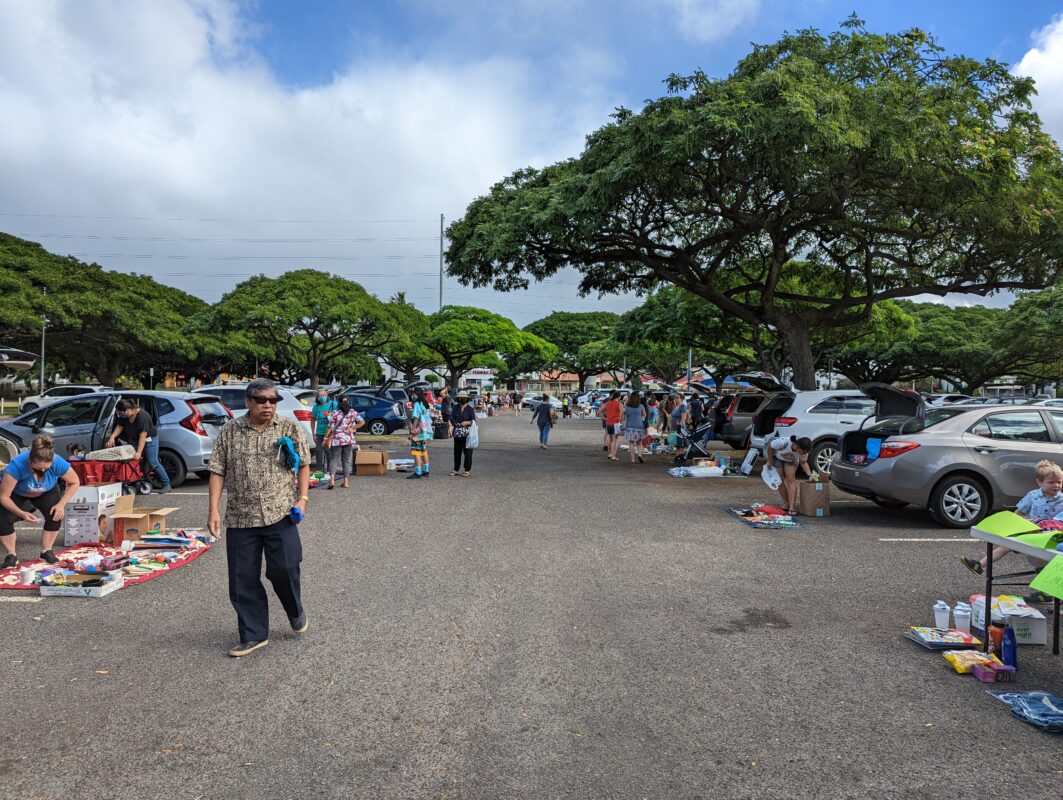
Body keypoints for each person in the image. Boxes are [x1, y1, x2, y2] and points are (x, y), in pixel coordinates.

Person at [207, 378, 311, 658]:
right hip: (242, 517)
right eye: (262, 400)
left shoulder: (289, 427)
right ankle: (253, 635)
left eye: (273, 400)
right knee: (242, 579)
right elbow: (218, 470)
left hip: (281, 512)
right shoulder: (230, 431)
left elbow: (303, 464)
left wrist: (303, 498)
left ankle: (295, 609)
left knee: (285, 569)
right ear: (248, 402)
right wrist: (213, 509)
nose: (268, 405)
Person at [961, 460, 1063, 576]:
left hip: (1050, 536)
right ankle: (980, 565)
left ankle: (1044, 586)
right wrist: (1009, 527)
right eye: (1051, 482)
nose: (1056, 486)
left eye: (1059, 482)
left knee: (1047, 561)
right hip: (1030, 532)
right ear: (1040, 482)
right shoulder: (1033, 496)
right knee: (1004, 546)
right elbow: (1018, 512)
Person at [0, 435, 81, 567]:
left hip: (46, 491)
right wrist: (21, 513)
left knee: (55, 515)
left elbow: (75, 482)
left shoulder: (58, 462)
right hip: (18, 493)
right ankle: (11, 555)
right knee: (3, 519)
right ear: (30, 461)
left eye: (46, 468)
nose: (42, 471)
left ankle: (46, 551)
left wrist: (61, 505)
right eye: (38, 468)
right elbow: (3, 497)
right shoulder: (17, 466)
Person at [105, 399, 171, 494]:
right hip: (134, 439)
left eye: (122, 413)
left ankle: (166, 484)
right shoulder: (124, 416)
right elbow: (120, 426)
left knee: (153, 462)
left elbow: (143, 436)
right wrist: (112, 437)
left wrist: (139, 452)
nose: (121, 415)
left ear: (128, 410)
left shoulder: (143, 417)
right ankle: (136, 482)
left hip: (149, 440)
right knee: (131, 461)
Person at [766, 435, 814, 514]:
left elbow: (803, 462)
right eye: (804, 451)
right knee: (779, 480)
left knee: (791, 479)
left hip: (792, 460)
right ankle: (786, 504)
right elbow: (770, 446)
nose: (804, 453)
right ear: (797, 447)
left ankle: (792, 507)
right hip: (778, 458)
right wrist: (769, 460)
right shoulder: (783, 442)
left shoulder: (804, 452)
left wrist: (809, 475)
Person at [325, 395, 364, 490]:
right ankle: (346, 482)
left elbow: (330, 426)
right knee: (346, 460)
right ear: (348, 402)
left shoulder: (335, 413)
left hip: (337, 439)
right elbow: (362, 422)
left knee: (334, 459)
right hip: (348, 438)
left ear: (338, 403)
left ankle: (332, 481)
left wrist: (326, 437)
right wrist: (352, 428)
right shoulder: (353, 412)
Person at [407, 387, 433, 479]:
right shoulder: (425, 404)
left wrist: (412, 430)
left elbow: (416, 418)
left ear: (417, 394)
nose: (412, 395)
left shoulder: (417, 404)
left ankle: (418, 472)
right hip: (424, 430)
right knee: (423, 450)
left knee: (416, 451)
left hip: (418, 431)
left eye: (413, 393)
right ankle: (426, 471)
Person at [450, 389, 476, 476]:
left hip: (467, 433)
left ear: (466, 399)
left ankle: (467, 470)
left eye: (463, 398)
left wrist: (466, 422)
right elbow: (451, 418)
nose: (462, 399)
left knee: (468, 452)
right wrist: (455, 423)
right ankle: (455, 469)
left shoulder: (470, 409)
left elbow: (473, 421)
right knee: (457, 452)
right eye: (460, 398)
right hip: (457, 433)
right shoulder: (455, 407)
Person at [310, 388, 337, 472]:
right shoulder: (316, 407)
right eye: (320, 396)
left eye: (323, 395)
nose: (322, 397)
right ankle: (319, 470)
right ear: (317, 398)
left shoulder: (333, 404)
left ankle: (329, 471)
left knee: (329, 452)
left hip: (330, 433)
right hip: (319, 433)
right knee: (318, 451)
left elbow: (339, 415)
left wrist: (330, 414)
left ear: (327, 396)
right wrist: (313, 433)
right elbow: (313, 420)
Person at [623, 391, 647, 464]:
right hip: (639, 426)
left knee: (631, 442)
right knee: (639, 442)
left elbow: (625, 417)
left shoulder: (627, 407)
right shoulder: (641, 406)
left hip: (630, 426)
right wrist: (641, 418)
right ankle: (639, 455)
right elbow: (645, 415)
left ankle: (632, 459)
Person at [602, 390, 624, 461]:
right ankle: (613, 456)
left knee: (610, 439)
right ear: (619, 397)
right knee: (615, 439)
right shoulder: (619, 404)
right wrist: (621, 420)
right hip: (616, 422)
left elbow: (599, 412)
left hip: (608, 422)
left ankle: (609, 454)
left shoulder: (607, 403)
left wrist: (605, 418)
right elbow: (622, 412)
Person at [670, 394, 689, 463]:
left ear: (681, 399)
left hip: (680, 427)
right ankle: (677, 457)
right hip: (674, 426)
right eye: (675, 397)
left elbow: (683, 419)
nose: (675, 398)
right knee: (677, 443)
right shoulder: (676, 407)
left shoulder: (683, 407)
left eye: (677, 397)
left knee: (681, 444)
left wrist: (680, 428)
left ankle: (680, 458)